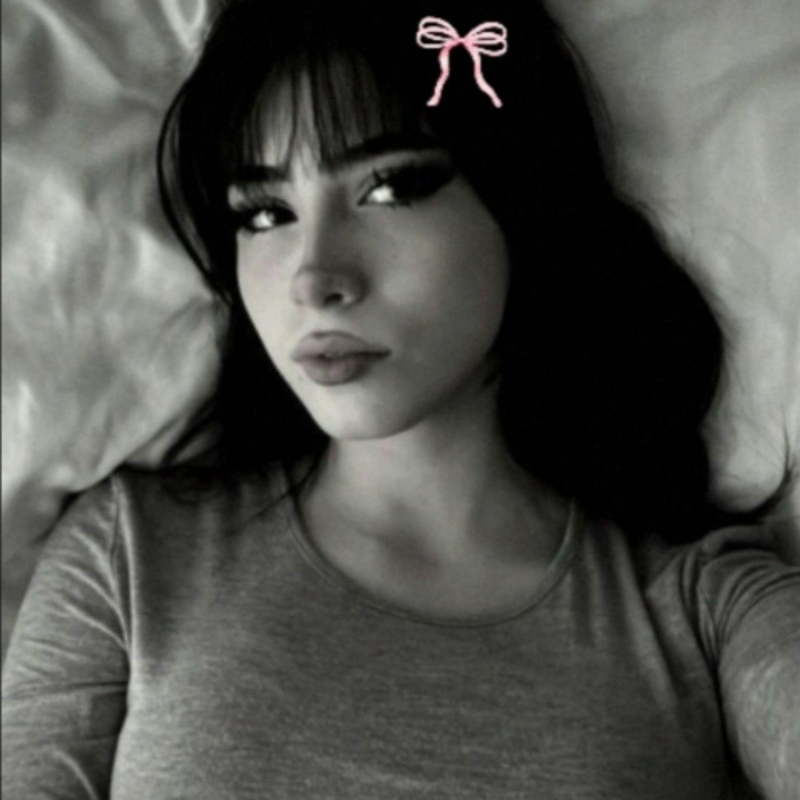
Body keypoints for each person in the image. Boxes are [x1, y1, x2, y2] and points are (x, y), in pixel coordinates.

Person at [3, 1, 798, 798]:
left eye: (391, 188)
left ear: (522, 199)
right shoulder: (132, 552)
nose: (314, 279)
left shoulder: (706, 605)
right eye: (266, 213)